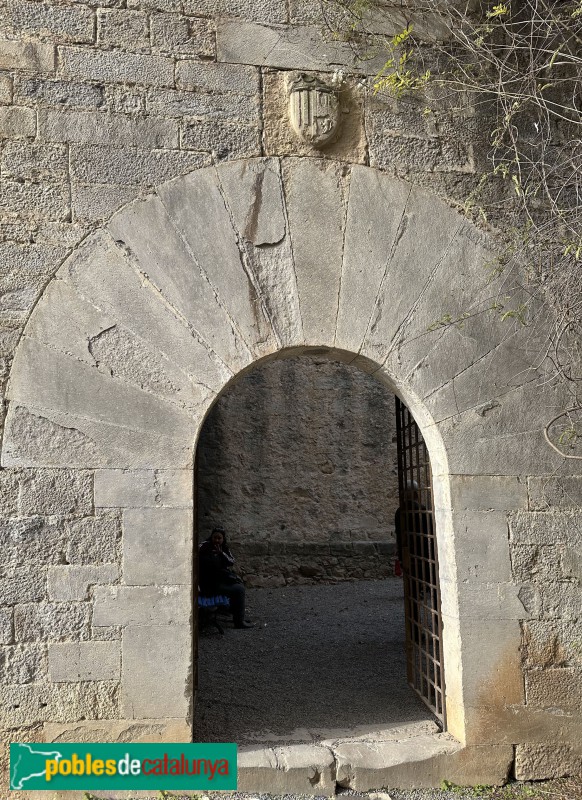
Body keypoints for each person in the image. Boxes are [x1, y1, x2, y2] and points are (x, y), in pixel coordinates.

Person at [198, 527, 253, 629]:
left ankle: (236, 615)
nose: (217, 540)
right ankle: (239, 622)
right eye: (215, 538)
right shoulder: (204, 546)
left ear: (223, 539)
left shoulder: (224, 548)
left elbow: (231, 561)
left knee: (238, 584)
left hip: (219, 581)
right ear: (211, 537)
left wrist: (221, 554)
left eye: (219, 538)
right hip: (209, 584)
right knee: (239, 590)